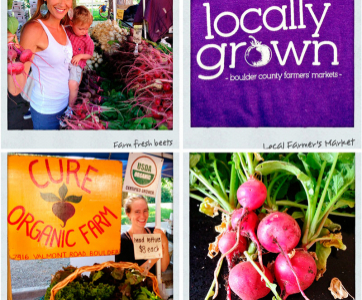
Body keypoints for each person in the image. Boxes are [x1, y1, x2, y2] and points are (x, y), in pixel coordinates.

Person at [7, 0, 73, 130]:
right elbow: (15, 88)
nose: (62, 3)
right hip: (47, 111)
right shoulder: (34, 29)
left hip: (66, 104)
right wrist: (12, 56)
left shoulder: (62, 27)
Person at [115, 196, 170, 274]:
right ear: (128, 214)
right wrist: (153, 259)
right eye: (137, 211)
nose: (142, 216)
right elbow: (130, 278)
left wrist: (165, 242)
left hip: (154, 285)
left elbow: (163, 268)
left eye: (145, 211)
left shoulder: (154, 233)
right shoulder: (122, 241)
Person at [65, 6, 94, 107]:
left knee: (72, 84)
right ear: (71, 24)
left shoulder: (87, 40)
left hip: (76, 64)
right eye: (81, 28)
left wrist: (80, 56)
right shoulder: (66, 30)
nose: (84, 31)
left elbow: (90, 54)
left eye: (86, 28)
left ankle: (71, 107)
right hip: (64, 61)